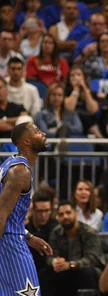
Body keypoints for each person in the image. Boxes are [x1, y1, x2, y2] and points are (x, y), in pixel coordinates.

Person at [0, 122, 53, 295]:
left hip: (11, 238)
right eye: (37, 131)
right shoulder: (20, 171)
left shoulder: (11, 164)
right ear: (26, 141)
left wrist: (28, 236)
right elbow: (1, 215)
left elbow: (8, 215)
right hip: (10, 245)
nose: (43, 133)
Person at [47, 200, 105, 296]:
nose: (65, 217)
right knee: (46, 273)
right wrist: (55, 262)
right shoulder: (55, 232)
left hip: (86, 270)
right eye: (61, 214)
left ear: (76, 214)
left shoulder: (89, 232)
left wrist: (71, 265)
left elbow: (92, 259)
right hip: (65, 270)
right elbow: (50, 255)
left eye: (68, 213)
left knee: (87, 273)